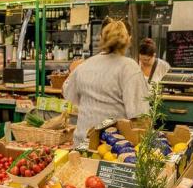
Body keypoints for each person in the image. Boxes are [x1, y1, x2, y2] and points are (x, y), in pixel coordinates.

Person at [63, 18, 149, 147]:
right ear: (128, 40)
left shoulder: (84, 66)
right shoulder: (129, 68)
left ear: (101, 39)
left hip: (82, 145)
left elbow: (68, 94)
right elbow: (140, 116)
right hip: (115, 149)